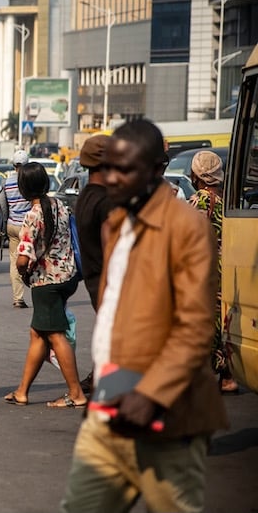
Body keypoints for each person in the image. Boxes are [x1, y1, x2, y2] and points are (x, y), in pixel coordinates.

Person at [60, 120, 229, 513]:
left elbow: (195, 327)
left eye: (127, 169)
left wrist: (150, 393)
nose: (113, 178)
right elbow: (116, 311)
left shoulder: (187, 226)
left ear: (157, 169)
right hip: (111, 403)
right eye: (110, 168)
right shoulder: (119, 223)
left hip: (167, 412)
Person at [4, 162, 85, 408]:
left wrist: (22, 271)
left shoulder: (33, 215)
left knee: (55, 335)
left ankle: (76, 393)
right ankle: (22, 391)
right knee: (38, 334)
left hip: (46, 282)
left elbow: (22, 257)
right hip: (67, 276)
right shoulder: (60, 205)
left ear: (23, 188)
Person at [188, 150, 237, 394]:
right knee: (222, 323)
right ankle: (227, 377)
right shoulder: (230, 200)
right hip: (228, 271)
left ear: (197, 175)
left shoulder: (200, 200)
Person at [72, 135, 114, 393]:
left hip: (92, 278)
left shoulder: (85, 196)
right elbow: (111, 246)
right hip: (107, 280)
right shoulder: (106, 201)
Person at [3, 150, 32, 308]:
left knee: (14, 262)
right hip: (27, 226)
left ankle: (18, 298)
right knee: (32, 260)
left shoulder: (7, 182)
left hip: (11, 225)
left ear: (14, 165)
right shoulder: (28, 182)